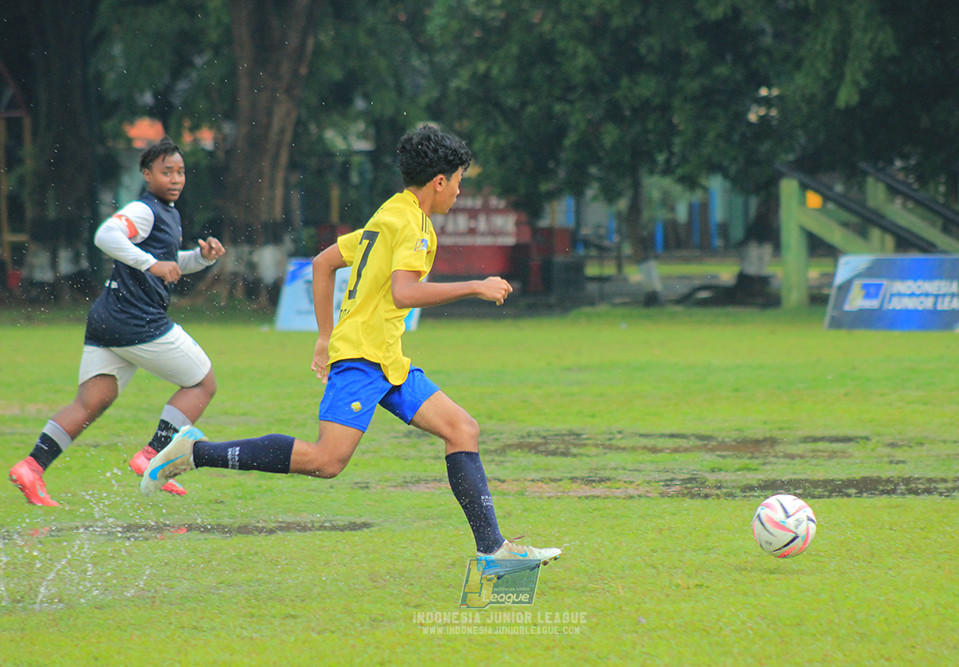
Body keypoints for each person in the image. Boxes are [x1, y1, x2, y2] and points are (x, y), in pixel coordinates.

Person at [142, 125, 560, 566]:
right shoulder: (413, 225)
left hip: (386, 359)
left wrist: (325, 335)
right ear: (439, 181)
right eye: (459, 180)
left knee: (462, 429)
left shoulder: (392, 212)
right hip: (363, 359)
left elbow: (324, 263)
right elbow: (404, 293)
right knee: (326, 460)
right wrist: (475, 285)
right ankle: (195, 451)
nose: (460, 190)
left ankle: (493, 551)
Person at [8, 136, 226, 506]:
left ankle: (31, 466)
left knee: (92, 401)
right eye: (166, 172)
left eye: (180, 172)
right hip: (136, 320)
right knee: (202, 383)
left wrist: (201, 259)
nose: (175, 179)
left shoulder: (168, 214)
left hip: (108, 319)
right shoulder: (145, 210)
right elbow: (105, 235)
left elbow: (169, 264)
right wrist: (150, 263)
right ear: (147, 174)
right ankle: (152, 456)